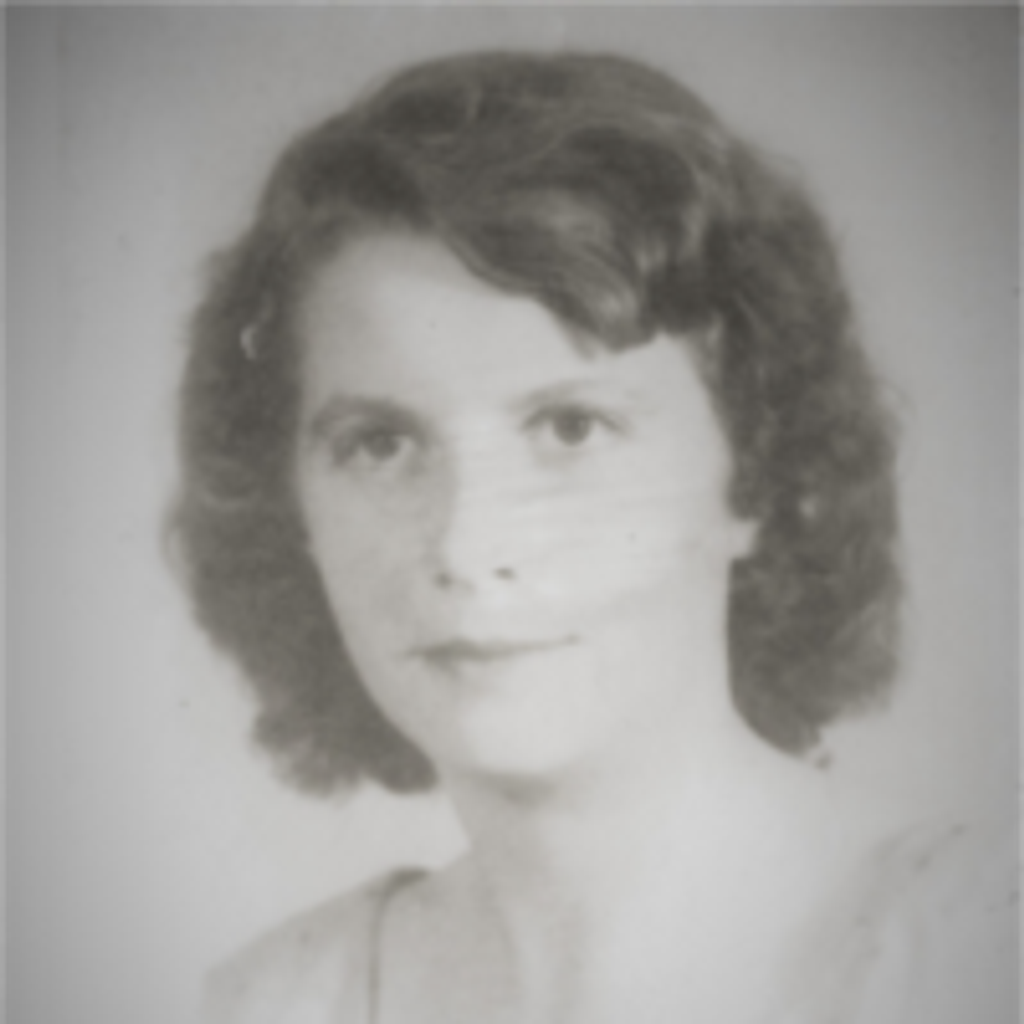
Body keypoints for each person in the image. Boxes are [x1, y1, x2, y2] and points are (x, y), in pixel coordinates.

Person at [172, 51, 1006, 1024]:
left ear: (756, 475)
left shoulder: (975, 954)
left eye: (571, 429)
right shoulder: (273, 1002)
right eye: (382, 445)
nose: (467, 546)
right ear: (292, 510)